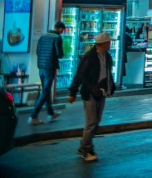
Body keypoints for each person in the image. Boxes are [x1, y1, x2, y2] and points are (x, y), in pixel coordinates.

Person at [68, 33, 116, 162]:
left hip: (102, 92)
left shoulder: (108, 56)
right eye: (109, 42)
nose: (110, 44)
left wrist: (111, 86)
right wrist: (73, 92)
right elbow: (80, 74)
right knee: (91, 122)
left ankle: (84, 146)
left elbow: (108, 73)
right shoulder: (90, 56)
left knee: (96, 121)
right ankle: (86, 149)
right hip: (89, 92)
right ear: (104, 43)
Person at [28, 22, 65, 125]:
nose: (62, 32)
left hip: (41, 67)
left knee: (46, 91)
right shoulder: (57, 38)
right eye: (62, 30)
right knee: (45, 92)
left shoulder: (43, 36)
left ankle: (51, 113)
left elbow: (37, 52)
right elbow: (59, 54)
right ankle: (33, 116)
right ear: (60, 29)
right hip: (50, 67)